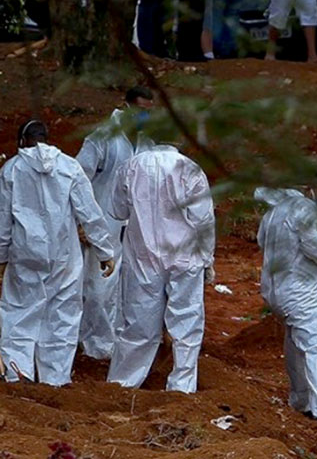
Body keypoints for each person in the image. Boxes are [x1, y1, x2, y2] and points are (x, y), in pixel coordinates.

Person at [0, 120, 115, 385]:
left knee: (20, 312)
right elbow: (89, 212)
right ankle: (56, 379)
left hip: (26, 254)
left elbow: (3, 220)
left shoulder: (11, 170)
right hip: (65, 257)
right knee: (62, 316)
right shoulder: (69, 167)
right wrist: (104, 250)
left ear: (22, 141)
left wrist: (2, 257)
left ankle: (17, 375)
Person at [107, 144, 215, 393]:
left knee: (138, 323)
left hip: (143, 254)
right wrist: (207, 258)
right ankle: (182, 387)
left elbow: (118, 210)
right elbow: (204, 220)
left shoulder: (131, 166)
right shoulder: (190, 169)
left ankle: (123, 384)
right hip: (185, 256)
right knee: (186, 323)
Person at [75, 86, 155, 360]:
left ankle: (114, 343)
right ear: (127, 106)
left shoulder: (146, 143)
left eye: (149, 111)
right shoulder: (102, 137)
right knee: (98, 289)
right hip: (101, 224)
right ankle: (94, 346)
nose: (145, 115)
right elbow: (78, 178)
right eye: (141, 109)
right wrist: (82, 221)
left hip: (132, 228)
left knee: (125, 289)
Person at [256, 188, 317, 425]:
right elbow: (315, 245)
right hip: (301, 292)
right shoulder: (302, 207)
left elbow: (262, 242)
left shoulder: (273, 213)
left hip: (278, 290)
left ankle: (301, 399)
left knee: (295, 342)